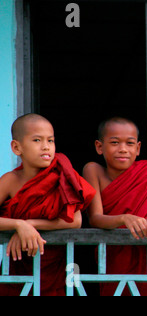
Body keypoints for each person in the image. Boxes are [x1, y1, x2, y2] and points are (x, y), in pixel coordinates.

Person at [0, 113, 95, 296]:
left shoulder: (62, 176)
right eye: (37, 140)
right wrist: (17, 224)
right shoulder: (11, 181)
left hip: (55, 268)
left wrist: (30, 224)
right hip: (18, 268)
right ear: (16, 147)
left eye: (50, 140)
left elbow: (75, 221)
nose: (46, 147)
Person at [83, 117, 147, 296]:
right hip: (113, 254)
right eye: (114, 143)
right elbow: (95, 218)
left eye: (129, 144)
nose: (123, 149)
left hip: (146, 254)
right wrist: (124, 218)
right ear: (99, 147)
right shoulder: (94, 171)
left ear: (138, 148)